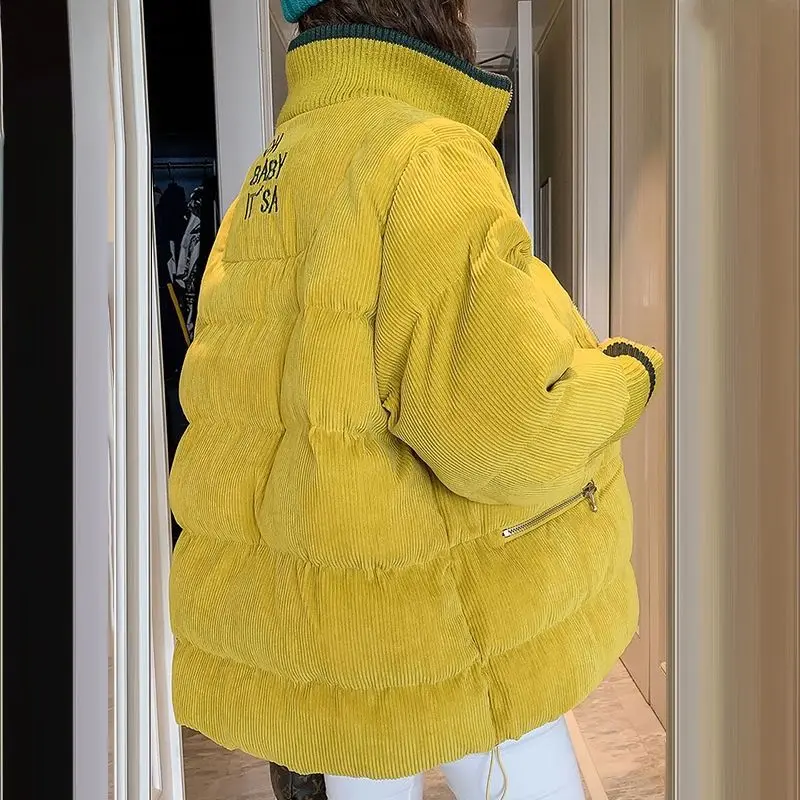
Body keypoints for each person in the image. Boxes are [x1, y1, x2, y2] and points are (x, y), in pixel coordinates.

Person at [167, 0, 664, 798]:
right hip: (446, 636)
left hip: (330, 639)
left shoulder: (272, 171)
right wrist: (630, 373)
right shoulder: (424, 153)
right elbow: (513, 424)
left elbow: (229, 413)